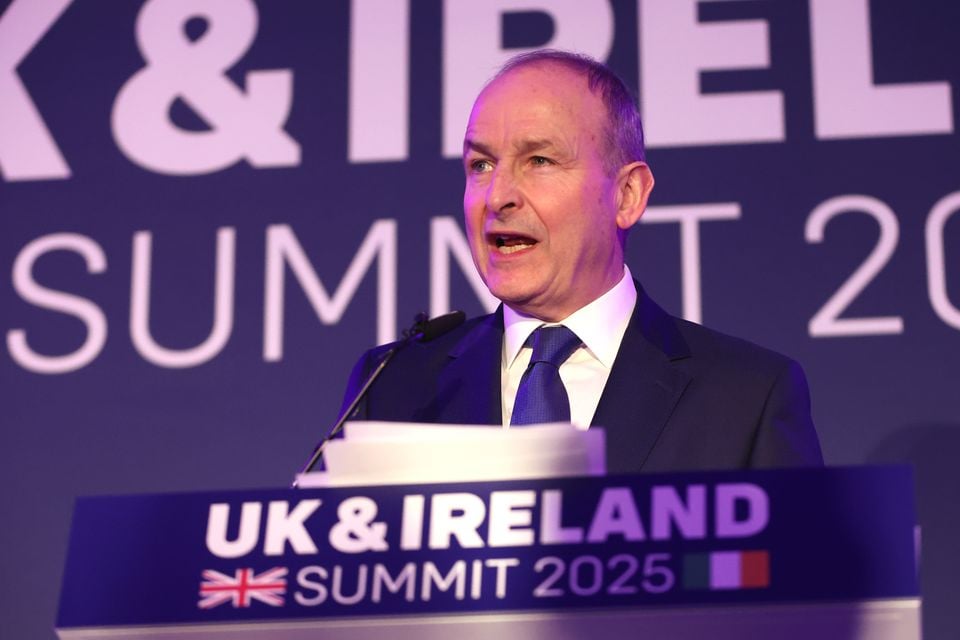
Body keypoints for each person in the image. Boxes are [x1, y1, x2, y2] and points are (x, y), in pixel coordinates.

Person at [340, 50, 823, 473]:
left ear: (627, 195)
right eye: (481, 165)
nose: (498, 196)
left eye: (540, 161)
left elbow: (800, 576)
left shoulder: (744, 395)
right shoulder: (394, 385)